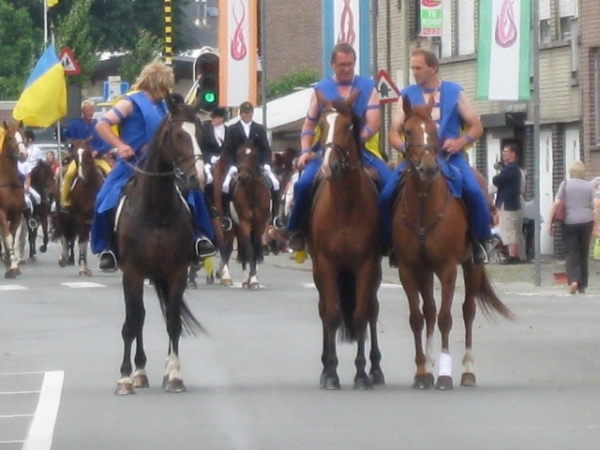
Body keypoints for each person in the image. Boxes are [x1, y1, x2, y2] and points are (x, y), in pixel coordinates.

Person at [92, 60, 216, 271]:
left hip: (162, 165)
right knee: (104, 199)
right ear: (153, 83)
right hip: (133, 163)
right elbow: (102, 124)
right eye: (163, 85)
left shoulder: (163, 106)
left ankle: (200, 238)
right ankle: (107, 248)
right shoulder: (129, 102)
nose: (165, 90)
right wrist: (120, 145)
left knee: (193, 192)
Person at [271, 43, 391, 250]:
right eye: (342, 64)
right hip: (325, 151)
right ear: (332, 64)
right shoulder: (320, 90)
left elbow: (373, 123)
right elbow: (308, 126)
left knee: (390, 186)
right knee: (304, 184)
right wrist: (306, 151)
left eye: (350, 64)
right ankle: (295, 231)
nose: (347, 69)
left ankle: (390, 237)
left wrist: (354, 141)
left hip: (363, 150)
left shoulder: (368, 87)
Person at [380, 49, 491, 264]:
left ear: (433, 68)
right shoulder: (407, 95)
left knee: (475, 191)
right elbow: (394, 131)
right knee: (385, 195)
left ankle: (480, 242)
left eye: (418, 68)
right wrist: (405, 147)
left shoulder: (454, 92)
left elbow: (477, 127)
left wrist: (460, 141)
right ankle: (390, 244)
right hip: (414, 158)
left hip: (450, 157)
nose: (414, 72)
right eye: (413, 68)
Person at [222, 101, 282, 227]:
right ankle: (226, 217)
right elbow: (228, 149)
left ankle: (276, 216)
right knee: (225, 185)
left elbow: (265, 148)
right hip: (238, 165)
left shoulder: (259, 128)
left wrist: (266, 163)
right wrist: (231, 165)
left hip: (256, 165)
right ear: (241, 114)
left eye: (249, 113)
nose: (248, 115)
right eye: (245, 113)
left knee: (276, 183)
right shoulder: (232, 129)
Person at [548, 161, 595, 294]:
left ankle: (574, 280)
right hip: (586, 221)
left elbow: (556, 204)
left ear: (571, 172)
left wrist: (549, 223)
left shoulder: (566, 184)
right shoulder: (589, 186)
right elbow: (596, 203)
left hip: (569, 222)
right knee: (583, 252)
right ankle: (582, 285)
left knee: (571, 252)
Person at [60, 99, 113, 209]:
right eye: (86, 110)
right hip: (79, 159)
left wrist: (98, 151)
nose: (89, 113)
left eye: (91, 110)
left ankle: (111, 199)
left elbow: (108, 142)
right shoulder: (74, 124)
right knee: (69, 173)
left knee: (110, 172)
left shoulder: (100, 125)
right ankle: (64, 200)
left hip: (97, 158)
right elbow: (65, 135)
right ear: (82, 112)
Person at [492, 143, 524, 264]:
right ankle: (518, 254)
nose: (503, 153)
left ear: (513, 154)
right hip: (513, 204)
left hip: (508, 205)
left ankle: (513, 256)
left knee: (509, 229)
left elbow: (497, 180)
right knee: (515, 230)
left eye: (506, 151)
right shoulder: (515, 169)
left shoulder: (511, 169)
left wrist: (501, 171)